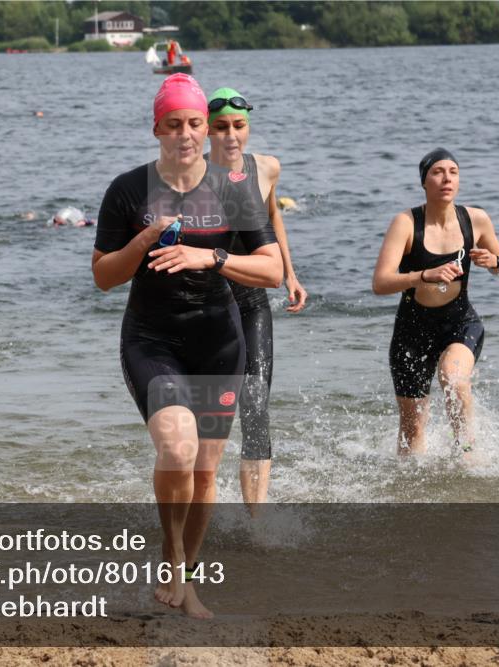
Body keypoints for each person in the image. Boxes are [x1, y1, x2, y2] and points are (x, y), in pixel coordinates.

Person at [92, 74, 282, 618]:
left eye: (194, 123)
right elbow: (104, 276)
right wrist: (144, 239)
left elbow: (271, 271)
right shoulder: (128, 189)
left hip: (219, 342)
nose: (186, 134)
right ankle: (171, 557)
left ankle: (188, 578)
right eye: (173, 124)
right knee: (177, 447)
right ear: (156, 128)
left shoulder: (234, 188)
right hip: (152, 339)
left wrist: (213, 258)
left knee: (204, 473)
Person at [205, 87, 308, 511]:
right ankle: (199, 507)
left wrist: (290, 273)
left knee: (255, 405)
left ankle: (255, 518)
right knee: (208, 417)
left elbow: (272, 218)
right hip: (206, 307)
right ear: (206, 130)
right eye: (222, 127)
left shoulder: (266, 168)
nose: (231, 135)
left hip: (251, 302)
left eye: (239, 126)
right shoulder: (191, 174)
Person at [371, 149, 499, 456]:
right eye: (437, 172)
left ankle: (468, 457)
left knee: (454, 378)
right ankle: (410, 490)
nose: (447, 178)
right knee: (412, 425)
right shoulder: (406, 223)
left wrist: (493, 260)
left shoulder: (476, 219)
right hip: (412, 331)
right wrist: (423, 276)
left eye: (454, 172)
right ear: (424, 181)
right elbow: (380, 283)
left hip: (459, 323)